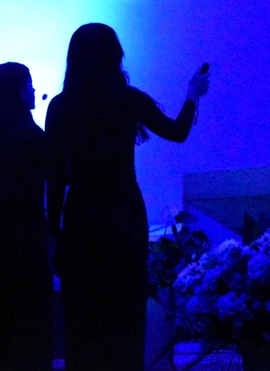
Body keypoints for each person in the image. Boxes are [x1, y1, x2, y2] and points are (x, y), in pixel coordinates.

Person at [45, 23, 210, 370]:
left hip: (81, 216)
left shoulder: (60, 106)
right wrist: (192, 94)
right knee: (124, 313)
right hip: (123, 213)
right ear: (114, 56)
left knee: (83, 319)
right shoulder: (129, 99)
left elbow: (56, 177)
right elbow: (177, 131)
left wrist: (54, 233)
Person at [0, 62, 54, 371]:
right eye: (29, 85)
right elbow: (59, 172)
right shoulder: (31, 135)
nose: (33, 90)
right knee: (32, 330)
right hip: (29, 241)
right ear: (20, 92)